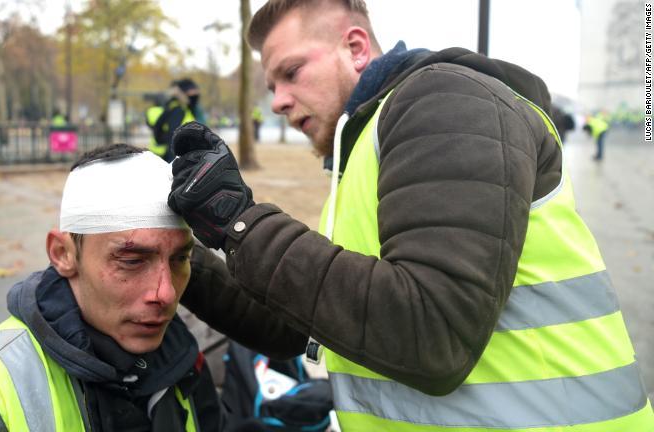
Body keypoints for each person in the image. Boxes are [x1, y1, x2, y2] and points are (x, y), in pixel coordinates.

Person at [166, 1, 654, 431]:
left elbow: (431, 333)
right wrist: (173, 256)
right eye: (271, 84)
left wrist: (241, 221)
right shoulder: (365, 150)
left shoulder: (446, 102)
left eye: (291, 73)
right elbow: (306, 326)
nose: (276, 101)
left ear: (356, 48)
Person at [0, 143, 306, 431]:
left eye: (179, 259)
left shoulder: (181, 361)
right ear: (62, 253)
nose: (164, 293)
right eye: (131, 260)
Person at [149, 78, 202, 162]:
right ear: (182, 94)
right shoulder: (178, 110)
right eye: (191, 93)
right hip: (171, 159)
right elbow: (173, 138)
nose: (194, 97)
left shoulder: (181, 108)